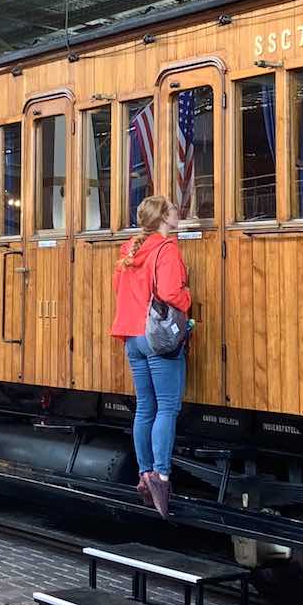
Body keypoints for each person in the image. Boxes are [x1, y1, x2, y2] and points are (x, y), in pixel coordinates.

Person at [108, 194, 191, 517]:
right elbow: (171, 293)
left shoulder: (130, 248)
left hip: (131, 336)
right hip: (158, 339)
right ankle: (161, 474)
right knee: (168, 407)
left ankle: (144, 473)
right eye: (173, 211)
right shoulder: (166, 249)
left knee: (145, 407)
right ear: (162, 218)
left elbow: (120, 289)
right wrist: (188, 296)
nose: (177, 214)